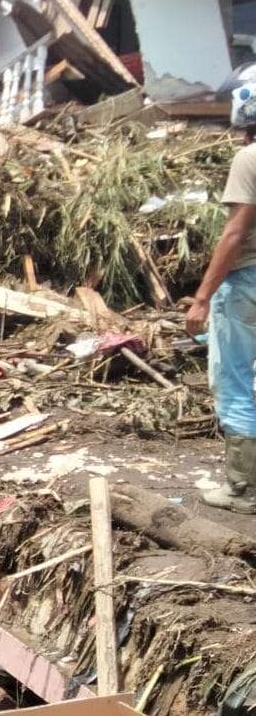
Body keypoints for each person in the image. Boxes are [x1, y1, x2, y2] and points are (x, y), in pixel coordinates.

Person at [188, 64, 256, 513]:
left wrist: (202, 296)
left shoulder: (249, 158)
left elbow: (235, 232)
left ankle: (241, 489)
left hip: (248, 281)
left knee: (234, 379)